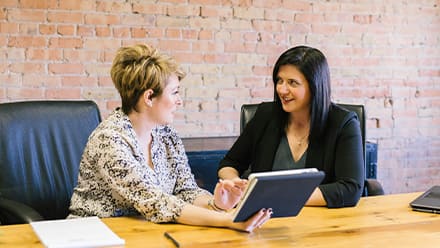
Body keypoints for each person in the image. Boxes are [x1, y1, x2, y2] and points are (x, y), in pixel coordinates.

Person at [68, 44, 272, 232]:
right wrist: (228, 220)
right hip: (93, 235)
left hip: (145, 233)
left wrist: (217, 204)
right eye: (174, 93)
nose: (179, 101)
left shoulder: (167, 136)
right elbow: (156, 202)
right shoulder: (109, 140)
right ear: (148, 97)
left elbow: (186, 190)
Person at [218, 45, 364, 208]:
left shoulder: (343, 123)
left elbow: (350, 189)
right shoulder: (265, 115)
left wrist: (278, 196)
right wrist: (235, 183)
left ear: (314, 86)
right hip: (263, 219)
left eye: (292, 83)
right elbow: (229, 163)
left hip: (320, 221)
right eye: (279, 81)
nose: (282, 89)